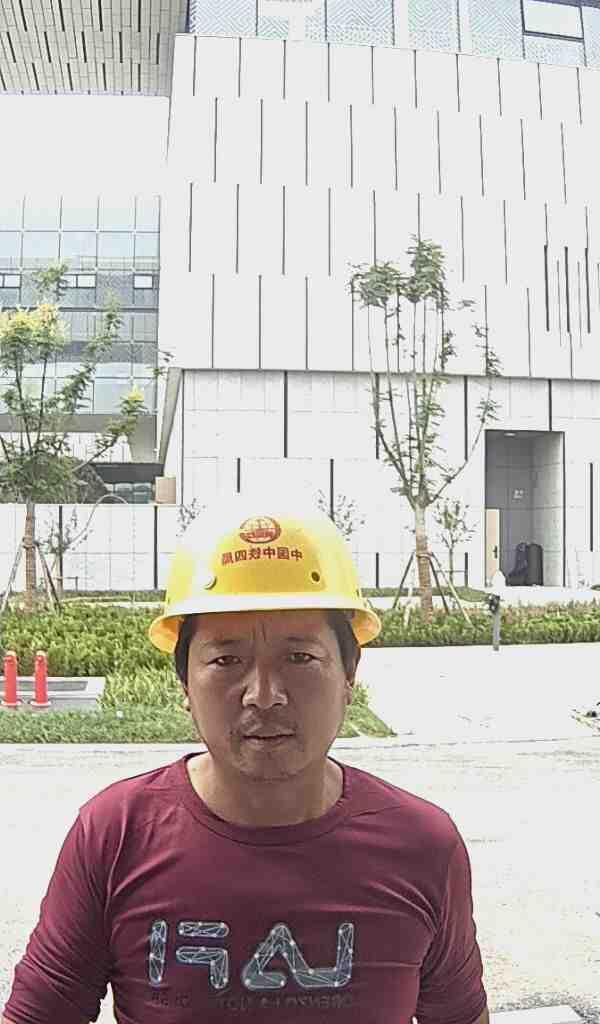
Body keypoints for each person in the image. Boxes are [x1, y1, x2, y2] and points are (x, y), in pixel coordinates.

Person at [2, 495, 489, 1024]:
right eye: (226, 659)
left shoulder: (422, 846)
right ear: (184, 681)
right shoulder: (115, 835)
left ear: (350, 674)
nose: (264, 695)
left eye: (300, 657)